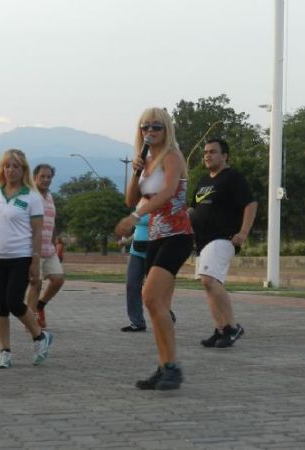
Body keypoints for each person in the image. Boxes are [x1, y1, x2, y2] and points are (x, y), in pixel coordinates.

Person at [114, 107, 194, 390]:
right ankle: (164, 366)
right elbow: (129, 199)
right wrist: (135, 173)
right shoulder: (146, 160)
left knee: (149, 296)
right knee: (156, 303)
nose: (149, 131)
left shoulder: (172, 156)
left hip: (178, 234)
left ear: (166, 129)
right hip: (154, 237)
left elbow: (169, 192)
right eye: (145, 127)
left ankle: (172, 366)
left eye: (156, 127)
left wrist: (136, 217)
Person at [0, 149, 53, 369]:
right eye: (7, 166)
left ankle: (39, 337)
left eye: (16, 166)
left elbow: (37, 231)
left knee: (14, 302)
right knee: (0, 306)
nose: (11, 170)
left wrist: (35, 261)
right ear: (2, 168)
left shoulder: (32, 196)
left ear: (23, 170)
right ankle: (4, 351)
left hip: (21, 256)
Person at [189, 138, 257, 348]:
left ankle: (232, 328)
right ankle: (220, 329)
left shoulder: (232, 178)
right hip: (202, 240)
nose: (207, 155)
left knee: (209, 280)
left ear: (224, 155)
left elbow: (250, 204)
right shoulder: (202, 181)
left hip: (223, 238)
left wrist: (243, 232)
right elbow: (193, 209)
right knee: (208, 284)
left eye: (213, 152)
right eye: (205, 152)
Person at [25, 164, 65, 329]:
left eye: (49, 177)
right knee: (36, 283)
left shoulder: (50, 196)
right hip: (33, 249)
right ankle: (30, 321)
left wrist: (57, 242)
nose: (46, 180)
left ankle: (40, 306)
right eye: (43, 176)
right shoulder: (30, 196)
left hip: (49, 248)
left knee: (58, 279)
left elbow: (52, 222)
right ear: (35, 178)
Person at [120, 210, 150, 332]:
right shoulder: (139, 206)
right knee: (132, 285)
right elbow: (138, 229)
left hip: (156, 249)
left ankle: (166, 315)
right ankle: (137, 322)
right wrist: (126, 241)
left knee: (155, 289)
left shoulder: (161, 202)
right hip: (136, 251)